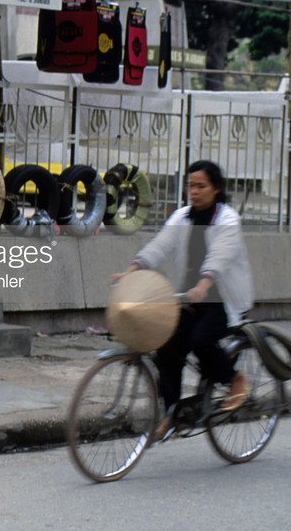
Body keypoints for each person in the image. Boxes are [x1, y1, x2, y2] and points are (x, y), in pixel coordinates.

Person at [110, 160, 255, 439]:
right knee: (166, 348)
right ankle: (173, 412)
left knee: (200, 340)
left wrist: (205, 282)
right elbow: (160, 245)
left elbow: (220, 255)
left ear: (216, 189)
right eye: (191, 185)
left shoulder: (226, 219)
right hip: (188, 299)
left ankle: (234, 379)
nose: (194, 191)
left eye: (201, 186)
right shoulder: (182, 217)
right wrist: (133, 269)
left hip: (221, 300)